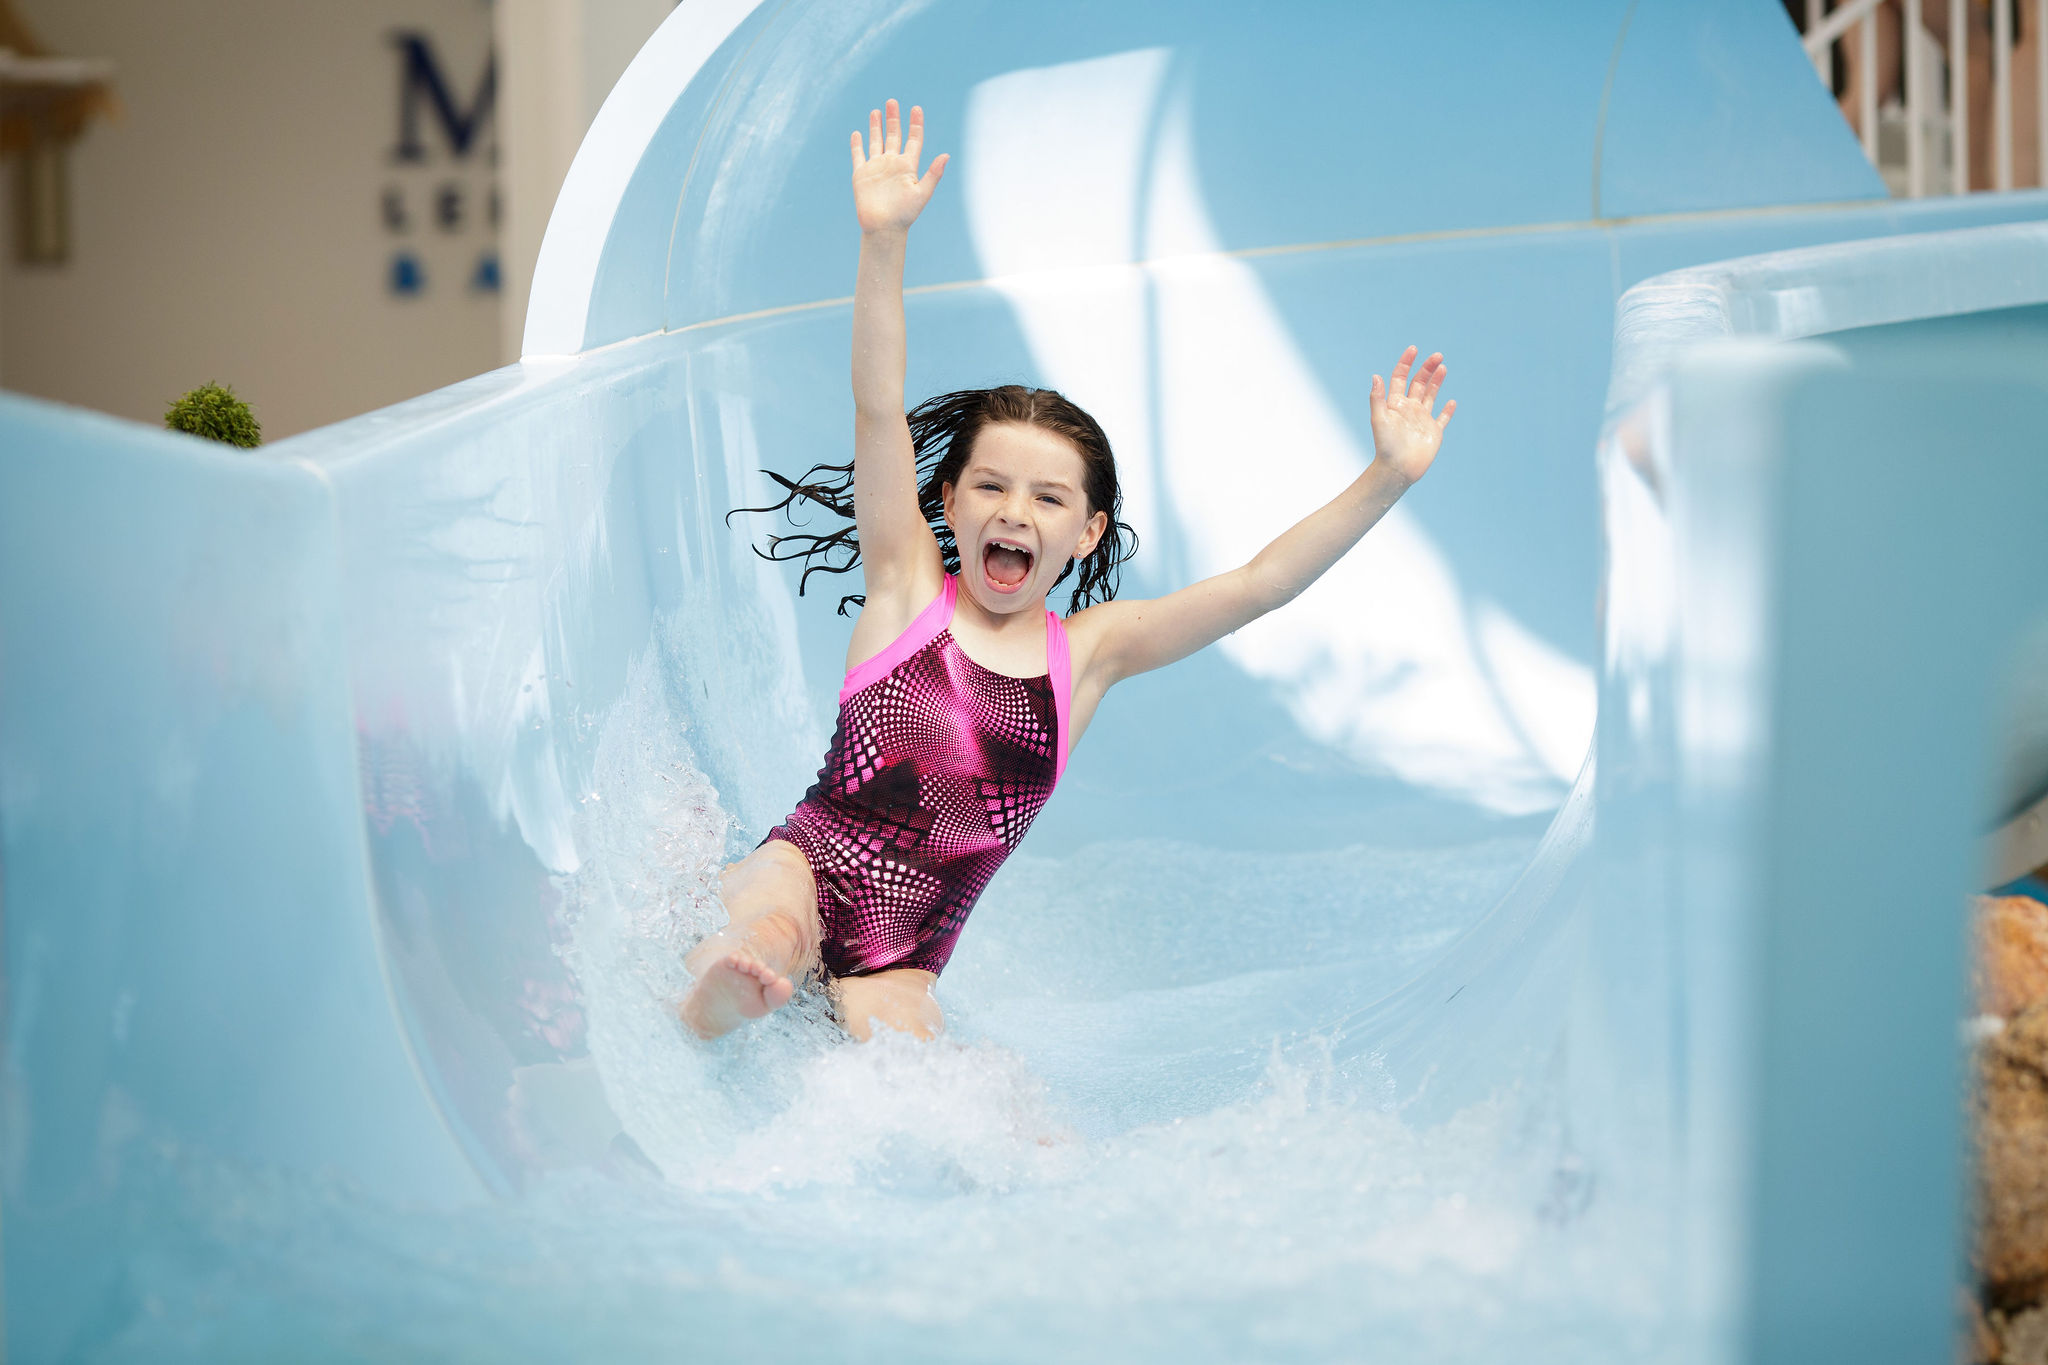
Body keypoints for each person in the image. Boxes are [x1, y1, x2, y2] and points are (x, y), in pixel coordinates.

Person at [679, 99, 1455, 1042]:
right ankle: (725, 987)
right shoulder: (908, 587)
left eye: (1048, 499)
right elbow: (879, 409)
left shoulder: (1087, 654)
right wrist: (883, 242)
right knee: (770, 921)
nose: (1015, 511)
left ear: (1087, 533)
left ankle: (782, 1004)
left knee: (946, 1083)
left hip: (907, 951)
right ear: (950, 504)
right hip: (809, 859)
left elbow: (1261, 583)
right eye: (992, 487)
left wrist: (1386, 478)